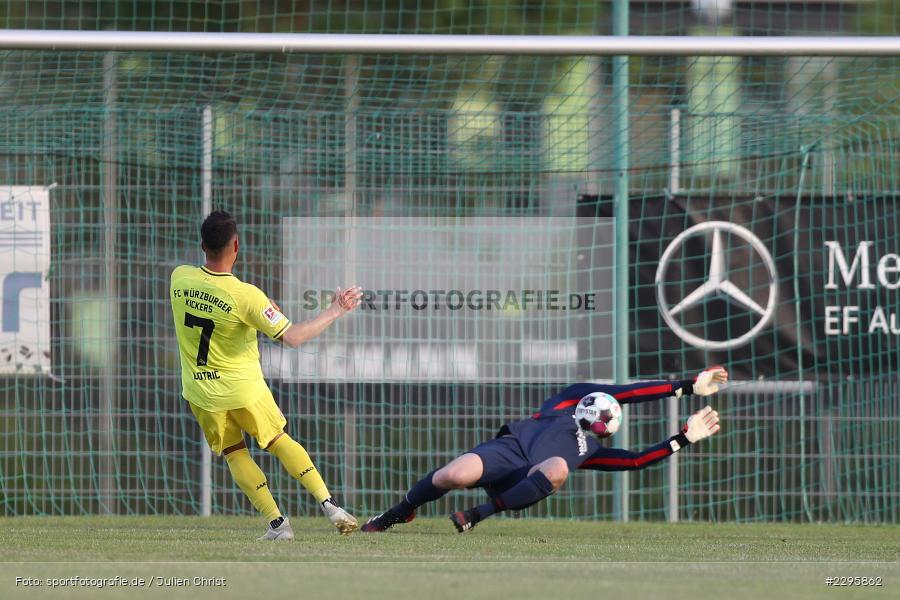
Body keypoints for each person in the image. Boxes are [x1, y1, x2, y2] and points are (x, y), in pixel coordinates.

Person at [170, 210, 363, 540]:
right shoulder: (247, 296)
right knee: (277, 440)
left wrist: (259, 308)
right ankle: (329, 505)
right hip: (244, 389)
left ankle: (277, 524)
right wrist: (336, 309)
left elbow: (216, 307)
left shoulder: (179, 278)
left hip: (202, 392)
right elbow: (294, 337)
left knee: (235, 453)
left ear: (202, 245)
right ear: (236, 245)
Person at [361, 367, 727, 533]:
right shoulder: (569, 399)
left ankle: (478, 514)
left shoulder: (590, 450)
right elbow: (628, 392)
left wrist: (683, 438)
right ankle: (398, 513)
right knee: (451, 475)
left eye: (607, 411)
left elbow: (636, 461)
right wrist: (687, 386)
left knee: (558, 468)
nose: (601, 407)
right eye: (601, 402)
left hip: (526, 480)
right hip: (507, 450)